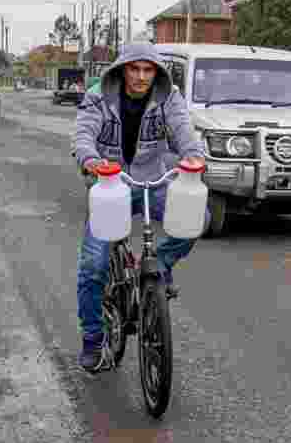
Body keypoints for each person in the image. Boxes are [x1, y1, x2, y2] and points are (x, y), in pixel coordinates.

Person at [73, 42, 208, 373]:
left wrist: (192, 155)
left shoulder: (168, 97)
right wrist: (90, 159)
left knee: (197, 218)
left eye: (148, 70)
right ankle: (92, 339)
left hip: (153, 181)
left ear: (156, 73)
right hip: (111, 184)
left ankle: (161, 263)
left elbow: (182, 130)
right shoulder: (98, 96)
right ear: (122, 70)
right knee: (93, 266)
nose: (141, 77)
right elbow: (83, 134)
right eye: (135, 69)